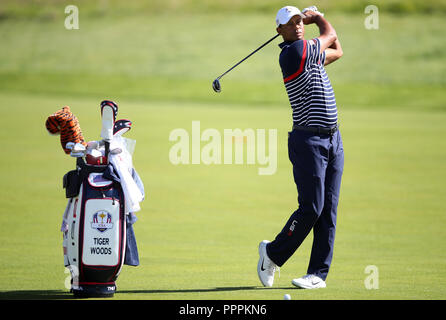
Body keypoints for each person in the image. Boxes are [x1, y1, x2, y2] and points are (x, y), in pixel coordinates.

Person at [257, 5, 344, 289]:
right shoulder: (294, 53)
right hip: (309, 142)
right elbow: (329, 34)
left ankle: (317, 274)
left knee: (327, 211)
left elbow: (337, 49)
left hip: (333, 139)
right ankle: (271, 253)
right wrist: (317, 17)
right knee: (311, 209)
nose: (297, 26)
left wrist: (318, 23)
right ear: (279, 31)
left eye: (299, 22)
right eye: (291, 23)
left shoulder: (311, 55)